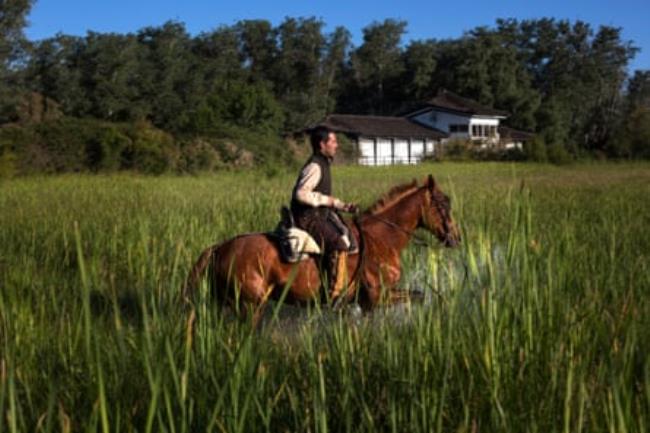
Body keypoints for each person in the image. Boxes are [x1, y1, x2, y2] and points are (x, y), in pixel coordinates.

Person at [290, 125, 358, 300]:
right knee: (339, 244)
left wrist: (343, 206)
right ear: (322, 144)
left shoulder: (323, 164)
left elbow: (324, 197)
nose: (337, 145)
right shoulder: (315, 166)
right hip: (308, 218)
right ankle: (336, 294)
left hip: (319, 215)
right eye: (333, 141)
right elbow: (301, 194)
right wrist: (327, 201)